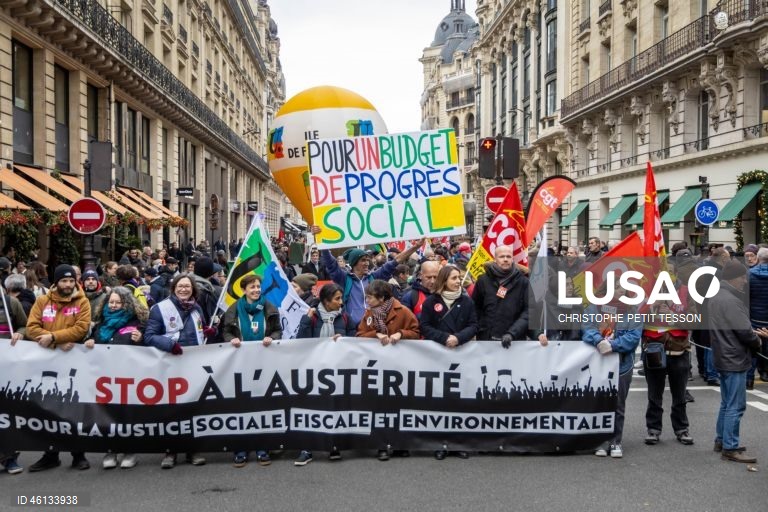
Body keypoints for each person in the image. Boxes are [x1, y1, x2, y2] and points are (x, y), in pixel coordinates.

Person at [26, 264, 92, 472]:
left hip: (73, 363)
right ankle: (50, 455)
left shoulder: (82, 301)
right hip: (47, 362)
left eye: (71, 281)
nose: (68, 284)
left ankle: (78, 454)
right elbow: (31, 328)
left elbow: (81, 328)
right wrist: (56, 341)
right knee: (48, 408)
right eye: (64, 281)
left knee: (73, 408)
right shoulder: (42, 301)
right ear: (56, 282)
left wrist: (54, 336)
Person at [143, 274, 207, 469]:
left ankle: (192, 449)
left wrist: (208, 332)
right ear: (174, 288)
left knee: (193, 407)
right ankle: (170, 451)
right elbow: (149, 336)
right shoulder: (160, 309)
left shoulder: (197, 308)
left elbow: (201, 329)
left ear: (193, 289)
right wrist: (170, 345)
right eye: (180, 286)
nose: (184, 289)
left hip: (193, 364)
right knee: (172, 410)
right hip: (171, 364)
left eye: (187, 286)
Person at [356, 279, 420, 462]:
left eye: (370, 297)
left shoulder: (403, 311)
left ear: (382, 298)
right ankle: (381, 445)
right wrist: (375, 334)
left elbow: (416, 333)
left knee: (400, 406)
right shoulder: (369, 314)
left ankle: (401, 444)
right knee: (378, 407)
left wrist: (401, 333)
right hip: (377, 368)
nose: (367, 300)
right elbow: (359, 335)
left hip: (400, 368)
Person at [84, 287, 147, 469]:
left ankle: (129, 451)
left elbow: (147, 349)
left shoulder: (137, 323)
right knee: (107, 414)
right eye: (111, 302)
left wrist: (140, 339)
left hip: (128, 378)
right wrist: (89, 341)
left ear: (127, 304)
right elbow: (91, 345)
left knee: (127, 414)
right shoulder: (100, 324)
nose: (113, 305)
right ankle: (110, 450)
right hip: (105, 379)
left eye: (118, 302)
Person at [222, 274, 282, 468]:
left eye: (258, 286)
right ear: (244, 290)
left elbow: (278, 330)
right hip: (240, 365)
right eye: (252, 287)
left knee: (262, 406)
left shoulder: (269, 308)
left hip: (264, 364)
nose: (256, 290)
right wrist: (230, 339)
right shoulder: (233, 309)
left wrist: (272, 338)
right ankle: (240, 448)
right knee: (241, 406)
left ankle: (262, 447)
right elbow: (226, 331)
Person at [419, 265, 477, 460]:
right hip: (439, 356)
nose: (458, 281)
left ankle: (458, 442)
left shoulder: (467, 301)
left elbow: (474, 325)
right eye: (454, 278)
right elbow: (425, 326)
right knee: (440, 401)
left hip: (461, 355)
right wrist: (444, 338)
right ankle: (440, 443)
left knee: (459, 401)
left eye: (459, 277)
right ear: (444, 280)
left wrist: (458, 338)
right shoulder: (431, 302)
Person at [709, 260, 764, 463]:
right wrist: (757, 340)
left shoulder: (717, 296)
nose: (744, 281)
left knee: (727, 403)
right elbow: (744, 331)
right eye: (742, 277)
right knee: (736, 405)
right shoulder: (731, 300)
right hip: (734, 357)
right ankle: (730, 447)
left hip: (723, 354)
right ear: (733, 278)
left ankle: (722, 440)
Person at [582, 274, 642, 459]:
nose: (621, 290)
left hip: (622, 364)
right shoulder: (594, 307)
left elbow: (634, 336)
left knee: (618, 404)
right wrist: (598, 340)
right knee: (599, 403)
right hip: (598, 363)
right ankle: (601, 441)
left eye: (623, 287)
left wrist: (613, 345)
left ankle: (616, 441)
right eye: (617, 287)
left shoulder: (632, 310)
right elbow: (587, 328)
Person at [318, 238, 423, 327]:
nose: (367, 263)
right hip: (352, 330)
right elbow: (331, 263)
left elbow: (396, 261)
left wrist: (415, 247)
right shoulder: (345, 279)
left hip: (374, 328)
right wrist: (321, 240)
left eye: (368, 260)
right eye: (363, 260)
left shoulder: (374, 277)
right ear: (354, 263)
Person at [472, 245, 529, 347]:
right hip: (487, 339)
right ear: (495, 259)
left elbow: (528, 311)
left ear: (512, 259)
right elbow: (475, 308)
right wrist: (481, 328)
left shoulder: (523, 282)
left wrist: (512, 333)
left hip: (515, 341)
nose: (505, 259)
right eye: (502, 256)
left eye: (508, 256)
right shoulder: (483, 280)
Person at [0, 281, 27, 475]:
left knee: (7, 413)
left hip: (6, 367)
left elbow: (25, 325)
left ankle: (9, 458)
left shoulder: (10, 302)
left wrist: (19, 333)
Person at [750, 247, 768, 383]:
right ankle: (765, 372)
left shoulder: (749, 274)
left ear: (758, 258)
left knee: (753, 345)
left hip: (755, 316)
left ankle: (749, 377)